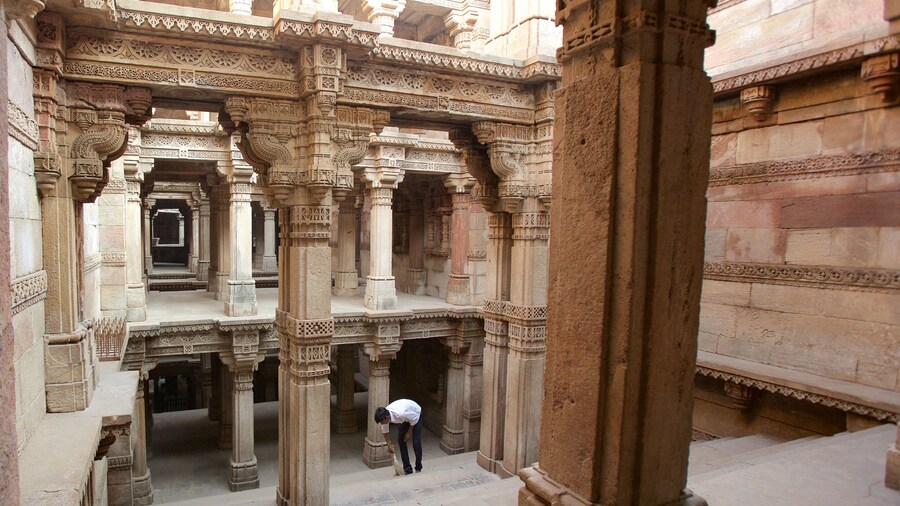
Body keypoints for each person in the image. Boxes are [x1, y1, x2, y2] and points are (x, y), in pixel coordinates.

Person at [374, 399, 422, 475]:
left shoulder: (401, 413)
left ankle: (418, 467)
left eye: (382, 422)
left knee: (416, 442)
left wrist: (409, 432)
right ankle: (407, 469)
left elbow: (414, 417)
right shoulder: (385, 416)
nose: (381, 424)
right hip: (405, 419)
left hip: (415, 414)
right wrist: (389, 445)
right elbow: (385, 431)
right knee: (401, 440)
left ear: (386, 418)